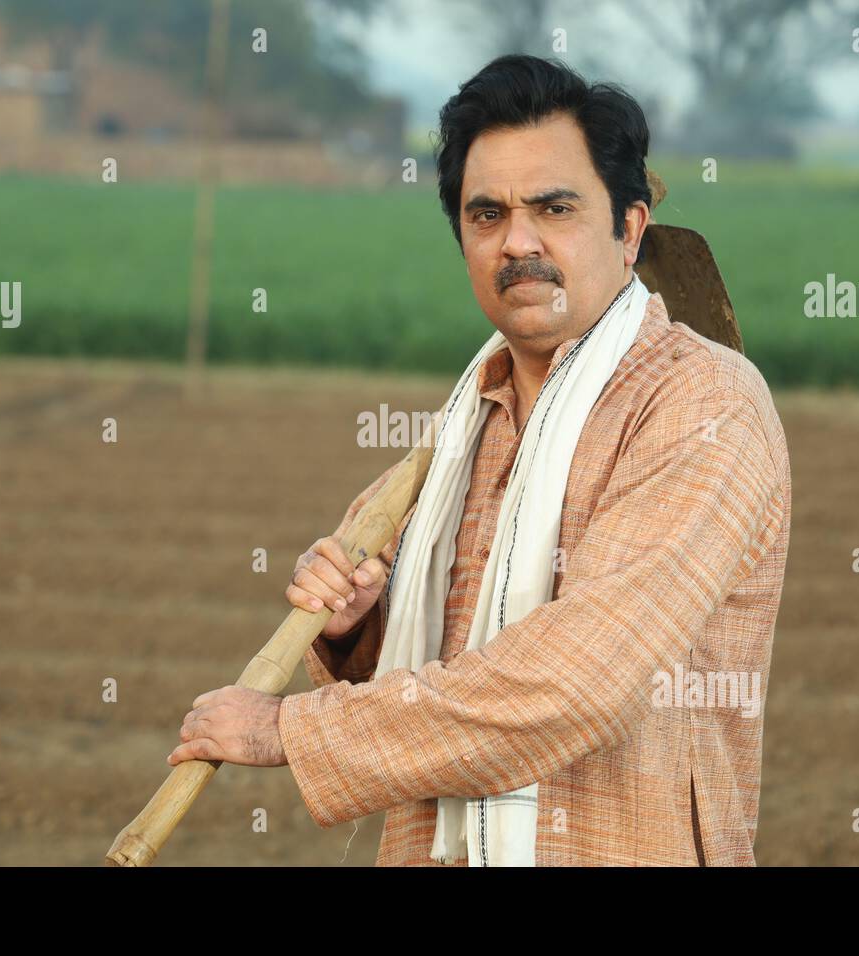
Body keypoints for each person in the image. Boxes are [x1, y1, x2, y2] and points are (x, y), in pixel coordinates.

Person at [167, 53, 792, 867]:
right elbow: (427, 667)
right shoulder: (462, 427)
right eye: (487, 214)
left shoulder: (703, 407)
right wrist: (361, 627)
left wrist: (290, 726)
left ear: (630, 228)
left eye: (555, 208)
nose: (517, 242)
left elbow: (577, 681)